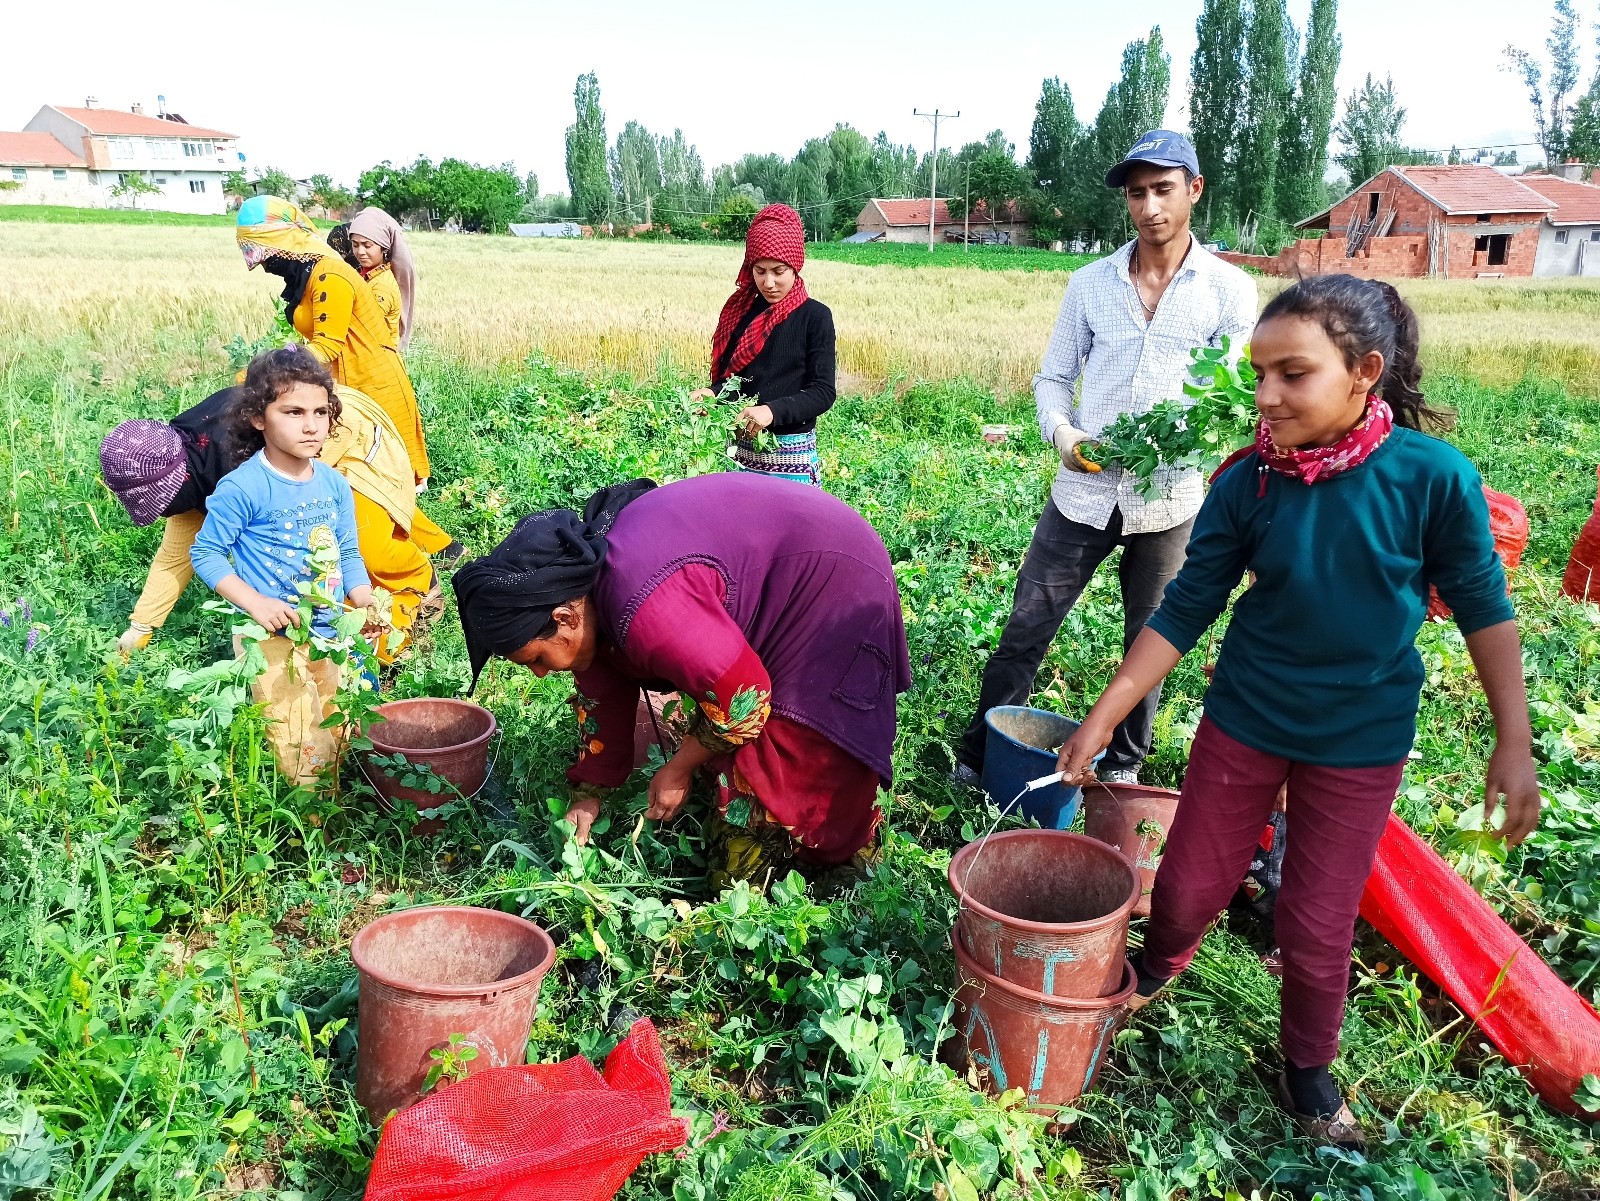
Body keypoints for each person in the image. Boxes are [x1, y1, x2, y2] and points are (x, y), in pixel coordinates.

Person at [1055, 275, 1541, 1148]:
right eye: (1259, 375)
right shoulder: (1249, 482)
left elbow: (1484, 609)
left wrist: (1514, 739)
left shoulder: (1431, 479)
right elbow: (1184, 609)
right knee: (1189, 884)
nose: (1267, 397)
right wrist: (1103, 714)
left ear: (1365, 372)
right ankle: (1154, 968)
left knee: (1316, 922)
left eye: (1294, 374)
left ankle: (1309, 1071)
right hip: (1247, 717)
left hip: (1359, 740)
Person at [952, 131, 1257, 790]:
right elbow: (1053, 377)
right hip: (1083, 491)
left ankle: (1122, 770)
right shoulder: (1091, 283)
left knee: (1150, 637)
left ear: (1194, 189)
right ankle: (981, 754)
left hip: (1170, 497)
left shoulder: (1229, 291)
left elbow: (1230, 393)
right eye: (1137, 193)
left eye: (1163, 190)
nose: (1150, 207)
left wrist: (1184, 440)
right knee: (1027, 623)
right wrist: (1064, 435)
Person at [451, 472, 910, 891]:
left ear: (564, 617)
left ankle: (851, 873)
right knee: (733, 750)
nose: (539, 672)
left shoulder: (645, 608)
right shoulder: (589, 597)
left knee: (786, 773)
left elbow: (744, 701)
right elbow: (603, 696)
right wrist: (589, 795)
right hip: (796, 555)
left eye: (535, 658)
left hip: (834, 579)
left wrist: (678, 768)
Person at [100, 373, 436, 663]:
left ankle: (417, 590)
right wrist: (140, 629)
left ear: (179, 482)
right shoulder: (194, 466)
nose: (166, 511)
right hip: (304, 427)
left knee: (368, 543)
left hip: (346, 427)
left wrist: (354, 596)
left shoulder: (241, 463)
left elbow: (337, 536)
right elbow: (178, 554)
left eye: (164, 502)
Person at [233, 195, 459, 562]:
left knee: (373, 473)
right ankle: (439, 547)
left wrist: (265, 373)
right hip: (347, 384)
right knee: (361, 473)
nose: (264, 265)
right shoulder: (313, 277)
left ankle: (421, 552)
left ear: (285, 245)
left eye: (265, 254)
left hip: (373, 384)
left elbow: (327, 345)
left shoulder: (330, 277)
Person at [189, 348, 377, 785]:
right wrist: (255, 603)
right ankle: (314, 817)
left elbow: (348, 552)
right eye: (293, 412)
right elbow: (206, 554)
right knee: (299, 738)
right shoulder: (243, 487)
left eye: (320, 412)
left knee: (338, 723)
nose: (311, 425)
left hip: (328, 632)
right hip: (273, 641)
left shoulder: (334, 484)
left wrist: (365, 599)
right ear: (258, 417)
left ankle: (341, 800)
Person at [689, 203, 835, 486]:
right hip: (741, 451)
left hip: (791, 456)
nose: (768, 283)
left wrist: (772, 411)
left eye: (779, 271)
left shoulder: (815, 317)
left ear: (795, 266)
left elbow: (822, 392)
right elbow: (736, 383)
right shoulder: (740, 313)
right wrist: (713, 394)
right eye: (760, 271)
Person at [348, 208, 416, 350]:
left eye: (367, 245)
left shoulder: (381, 287)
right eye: (355, 245)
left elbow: (362, 330)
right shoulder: (364, 274)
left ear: (383, 248)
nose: (360, 252)